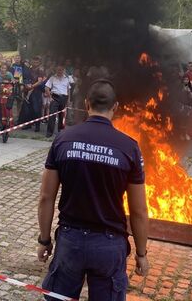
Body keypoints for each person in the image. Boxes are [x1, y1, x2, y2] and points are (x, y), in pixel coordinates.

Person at [37, 79, 149, 301]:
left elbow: (46, 197)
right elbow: (139, 211)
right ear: (115, 107)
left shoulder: (63, 139)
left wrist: (44, 240)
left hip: (70, 242)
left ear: (86, 103)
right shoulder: (129, 147)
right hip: (109, 246)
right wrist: (141, 254)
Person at [45, 64, 74, 138]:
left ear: (64, 70)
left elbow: (68, 90)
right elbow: (46, 88)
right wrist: (50, 97)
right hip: (55, 97)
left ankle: (60, 132)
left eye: (61, 70)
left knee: (62, 116)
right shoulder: (52, 78)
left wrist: (68, 100)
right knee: (52, 115)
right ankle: (49, 132)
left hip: (63, 98)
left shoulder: (67, 79)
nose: (60, 71)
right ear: (56, 70)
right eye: (58, 70)